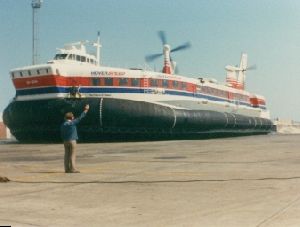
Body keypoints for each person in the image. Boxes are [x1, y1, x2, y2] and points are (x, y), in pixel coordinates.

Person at [60, 104, 89, 173]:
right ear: (72, 118)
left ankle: (66, 168)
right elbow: (81, 117)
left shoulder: (63, 124)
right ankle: (73, 168)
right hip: (72, 140)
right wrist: (86, 109)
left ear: (65, 118)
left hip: (65, 141)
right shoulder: (73, 123)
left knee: (66, 154)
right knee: (72, 155)